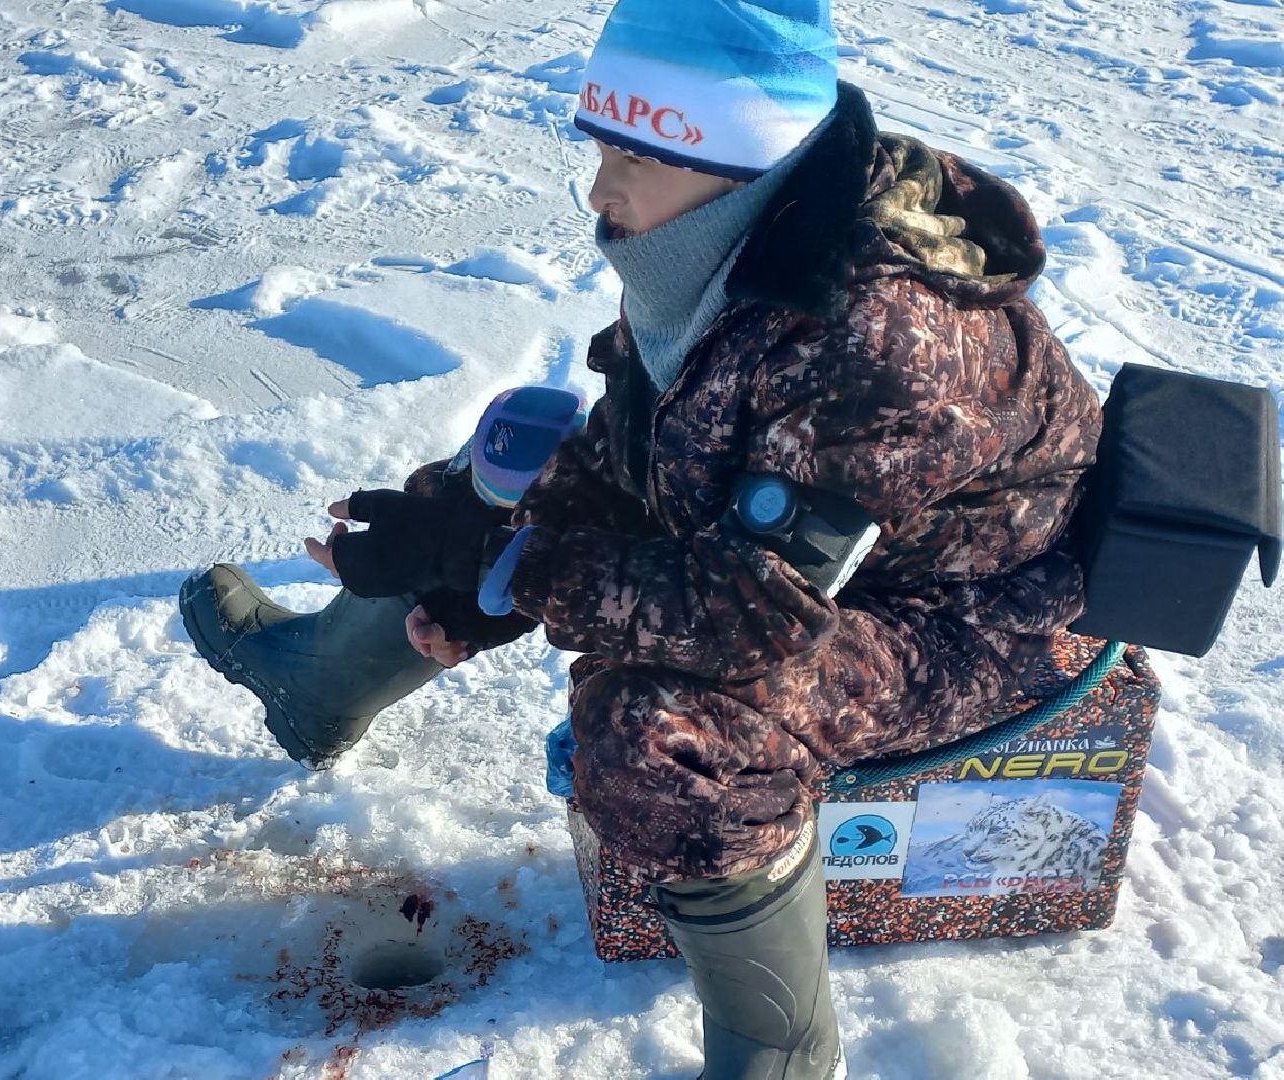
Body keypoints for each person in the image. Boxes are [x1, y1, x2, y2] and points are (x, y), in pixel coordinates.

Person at [190, 1, 1103, 1076]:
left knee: (656, 729)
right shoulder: (740, 232)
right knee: (506, 475)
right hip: (816, 566)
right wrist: (473, 543)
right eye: (604, 145)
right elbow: (644, 441)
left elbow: (751, 617)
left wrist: (507, 569)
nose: (600, 189)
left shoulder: (878, 337)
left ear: (738, 156)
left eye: (639, 155)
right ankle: (321, 683)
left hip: (961, 621)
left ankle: (785, 1051)